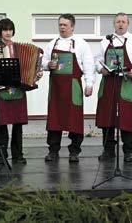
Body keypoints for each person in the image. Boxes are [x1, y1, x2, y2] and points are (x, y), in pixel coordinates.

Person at [94, 13, 132, 163]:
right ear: (114, 24)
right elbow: (97, 60)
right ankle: (108, 150)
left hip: (125, 82)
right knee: (107, 117)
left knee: (126, 117)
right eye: (118, 22)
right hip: (108, 83)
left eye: (123, 22)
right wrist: (100, 69)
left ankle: (128, 151)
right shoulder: (105, 41)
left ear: (128, 24)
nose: (120, 24)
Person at [42, 14, 92, 163]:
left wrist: (89, 84)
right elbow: (43, 61)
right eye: (60, 25)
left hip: (73, 88)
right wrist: (47, 64)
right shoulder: (52, 44)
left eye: (65, 25)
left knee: (74, 120)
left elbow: (88, 65)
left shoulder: (81, 44)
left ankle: (74, 152)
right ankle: (53, 151)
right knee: (54, 120)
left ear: (72, 27)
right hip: (56, 89)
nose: (62, 27)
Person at [0, 18, 33, 168]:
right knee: (2, 125)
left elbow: (29, 67)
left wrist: (35, 74)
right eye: (5, 29)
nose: (8, 32)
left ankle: (18, 155)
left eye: (10, 29)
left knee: (18, 124)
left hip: (18, 90)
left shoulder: (19, 47)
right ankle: (1, 156)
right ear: (0, 32)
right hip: (2, 91)